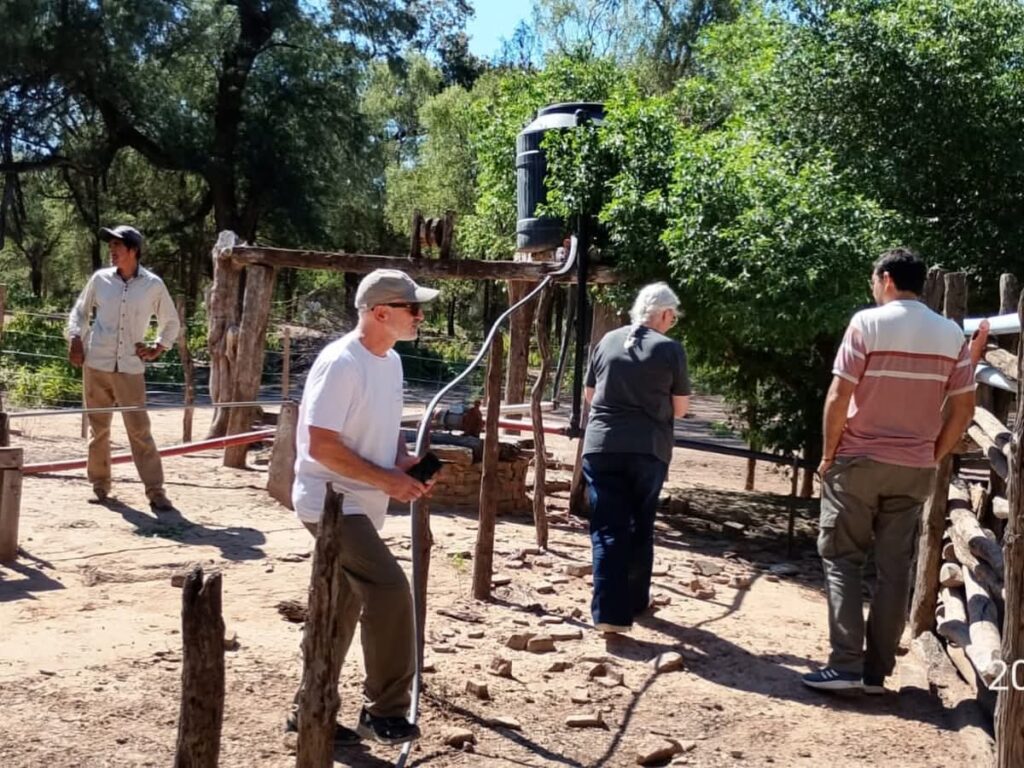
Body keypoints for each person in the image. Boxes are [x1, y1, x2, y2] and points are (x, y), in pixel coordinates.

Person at [804, 248, 976, 694]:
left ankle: (843, 666)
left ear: (885, 279)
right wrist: (934, 453)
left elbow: (839, 395)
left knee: (843, 559)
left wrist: (828, 455)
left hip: (858, 460)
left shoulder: (867, 323)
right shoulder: (951, 334)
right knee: (895, 570)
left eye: (872, 279)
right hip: (915, 466)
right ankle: (876, 674)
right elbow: (964, 408)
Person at [288, 268, 439, 745]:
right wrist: (387, 480)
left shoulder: (389, 360)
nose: (420, 316)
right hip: (330, 504)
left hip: (363, 505)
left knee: (340, 609)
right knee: (391, 591)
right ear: (380, 313)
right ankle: (384, 712)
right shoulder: (342, 363)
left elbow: (383, 425)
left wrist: (402, 462)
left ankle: (310, 708)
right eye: (413, 308)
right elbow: (321, 446)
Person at [581, 282, 690, 634]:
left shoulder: (607, 341)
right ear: (662, 313)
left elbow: (589, 394)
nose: (672, 322)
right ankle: (632, 602)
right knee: (640, 524)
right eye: (672, 316)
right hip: (649, 449)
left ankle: (610, 611)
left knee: (608, 527)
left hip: (601, 446)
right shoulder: (671, 350)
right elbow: (681, 409)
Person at [67, 225, 179, 511]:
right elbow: (80, 311)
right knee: (98, 429)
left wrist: (158, 346)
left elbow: (171, 322)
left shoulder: (153, 285)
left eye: (117, 246)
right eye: (110, 246)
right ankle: (100, 486)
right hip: (97, 364)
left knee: (140, 431)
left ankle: (155, 491)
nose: (112, 251)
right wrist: (75, 337)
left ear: (133, 250)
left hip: (130, 367)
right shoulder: (100, 279)